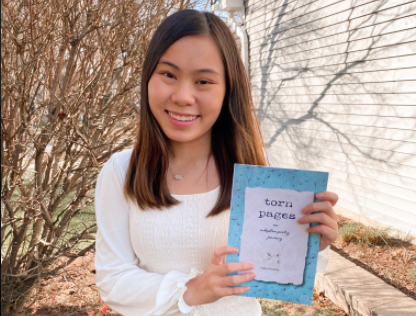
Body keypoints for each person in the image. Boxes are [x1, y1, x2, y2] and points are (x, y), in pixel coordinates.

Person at [94, 9, 339, 316]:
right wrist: (192, 290)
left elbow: (284, 276)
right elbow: (113, 281)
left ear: (227, 89)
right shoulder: (121, 171)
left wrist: (312, 243)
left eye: (204, 81)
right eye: (169, 74)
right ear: (148, 78)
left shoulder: (259, 170)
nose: (183, 96)